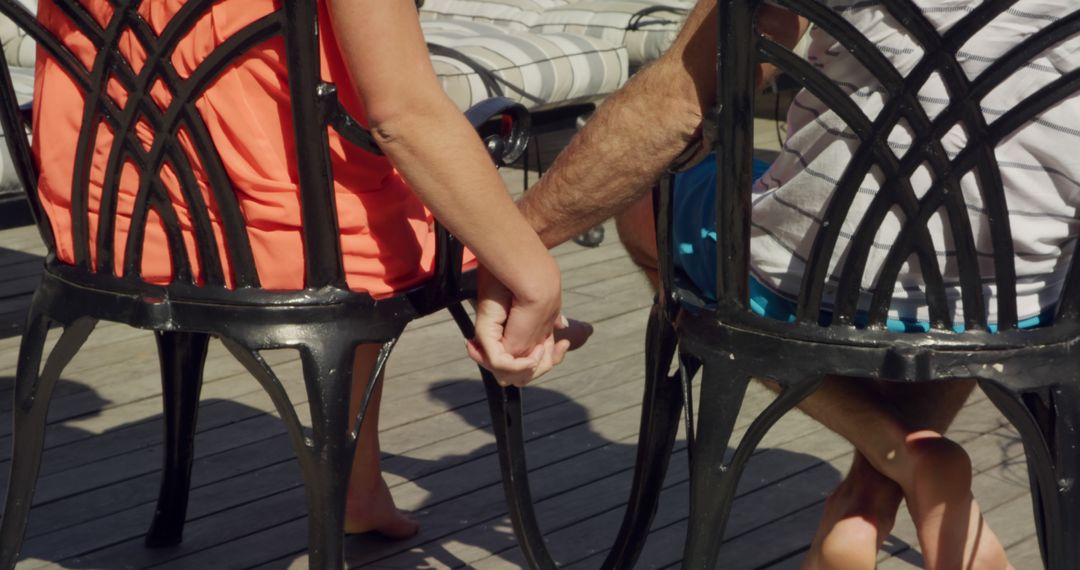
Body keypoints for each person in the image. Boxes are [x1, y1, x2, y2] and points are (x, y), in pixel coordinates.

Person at [471, 0, 1079, 567]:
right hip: (1025, 285)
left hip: (820, 272)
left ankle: (888, 461)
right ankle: (876, 489)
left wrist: (513, 243)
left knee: (652, 201)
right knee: (962, 265)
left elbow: (683, 98)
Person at [32, 0, 582, 540]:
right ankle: (362, 487)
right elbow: (402, 115)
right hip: (272, 233)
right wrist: (535, 277)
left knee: (370, 197)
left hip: (110, 222)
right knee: (384, 208)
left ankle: (359, 491)